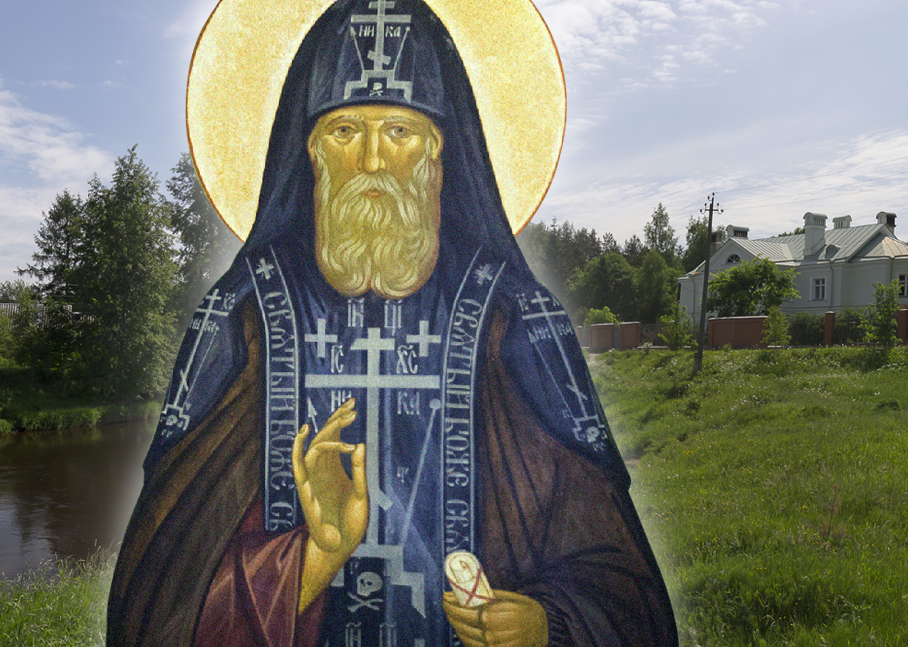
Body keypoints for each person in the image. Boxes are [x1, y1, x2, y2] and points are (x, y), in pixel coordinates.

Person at [107, 1, 678, 645]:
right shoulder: (245, 316)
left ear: (438, 153)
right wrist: (314, 559)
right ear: (311, 153)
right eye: (345, 131)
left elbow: (617, 577)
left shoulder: (512, 316)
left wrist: (548, 624)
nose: (372, 160)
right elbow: (159, 596)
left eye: (399, 131)